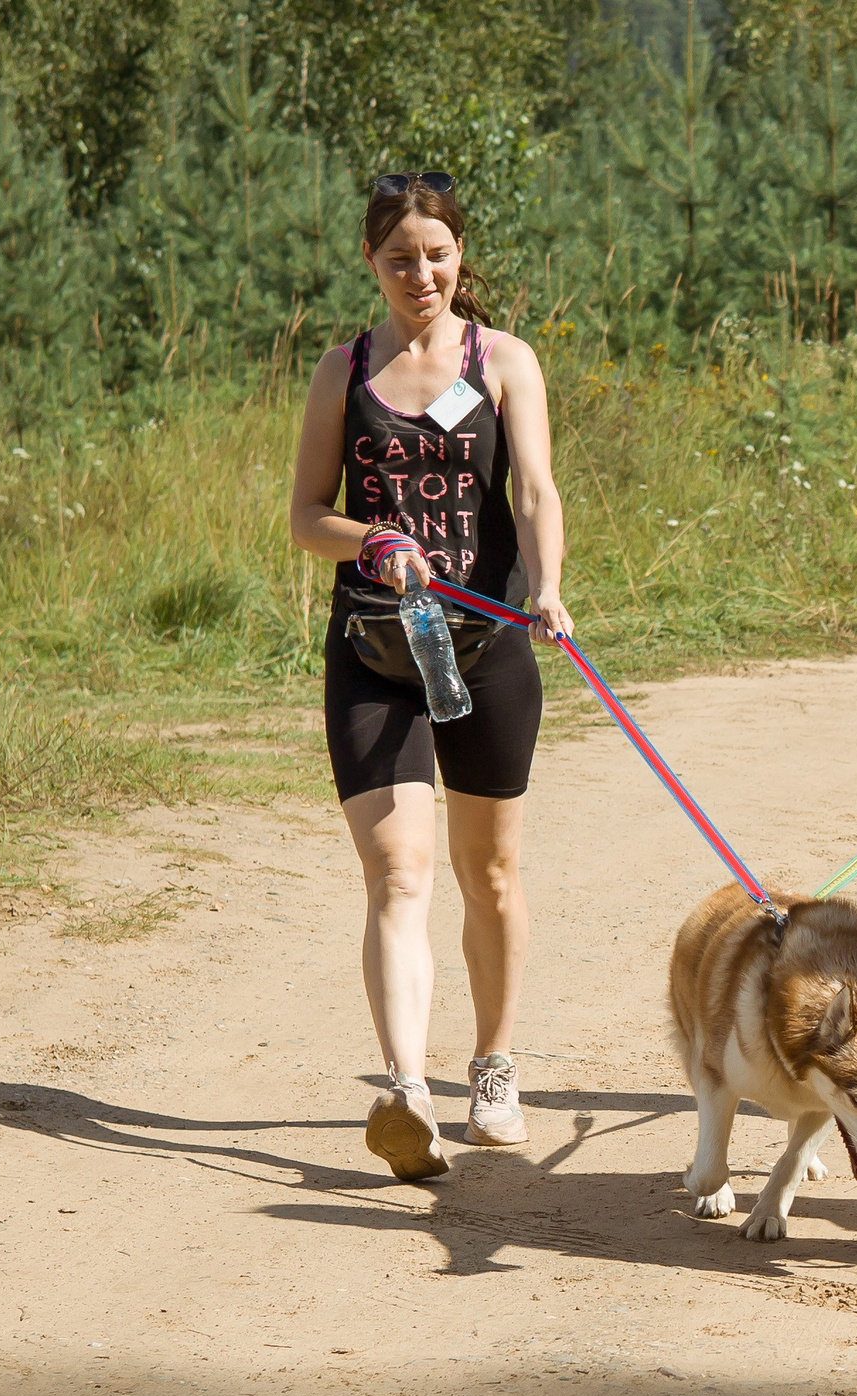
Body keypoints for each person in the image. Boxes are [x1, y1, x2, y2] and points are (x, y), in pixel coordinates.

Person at [287, 171, 573, 1182]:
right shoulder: (342, 370)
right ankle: (408, 1093)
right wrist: (373, 539)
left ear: (460, 256)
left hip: (488, 647)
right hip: (375, 651)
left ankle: (493, 1067)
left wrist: (545, 584)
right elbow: (304, 516)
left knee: (487, 872)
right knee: (397, 871)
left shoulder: (504, 362)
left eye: (437, 253)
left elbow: (533, 490)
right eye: (400, 256)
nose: (421, 273)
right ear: (371, 262)